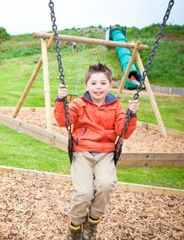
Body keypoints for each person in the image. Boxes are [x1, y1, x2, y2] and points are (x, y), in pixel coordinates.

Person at [54, 63, 139, 240]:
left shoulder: (116, 106)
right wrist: (61, 100)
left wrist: (131, 115)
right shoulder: (78, 103)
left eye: (102, 83)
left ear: (109, 85)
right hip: (82, 152)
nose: (98, 87)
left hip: (106, 153)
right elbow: (64, 121)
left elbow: (122, 132)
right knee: (83, 193)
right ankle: (75, 226)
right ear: (86, 85)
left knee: (106, 184)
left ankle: (92, 222)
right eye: (93, 83)